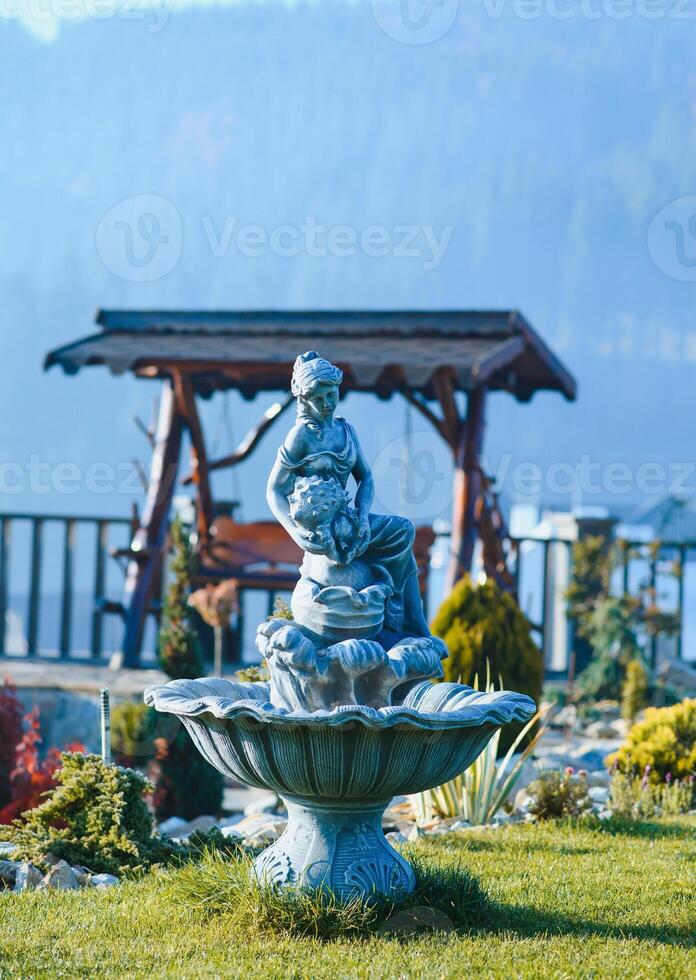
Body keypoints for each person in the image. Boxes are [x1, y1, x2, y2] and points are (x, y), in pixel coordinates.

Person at [266, 350, 430, 637]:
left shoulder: (346, 430)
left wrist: (364, 517)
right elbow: (274, 490)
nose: (328, 404)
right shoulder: (301, 436)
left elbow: (365, 477)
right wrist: (295, 532)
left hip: (349, 517)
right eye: (319, 398)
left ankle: (410, 624)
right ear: (304, 399)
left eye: (332, 395)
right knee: (345, 540)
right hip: (321, 521)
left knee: (402, 531)